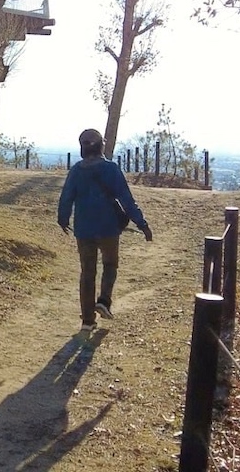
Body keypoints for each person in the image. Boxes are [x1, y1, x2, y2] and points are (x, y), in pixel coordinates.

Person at [57, 128, 152, 331]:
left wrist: (63, 219)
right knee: (110, 265)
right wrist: (141, 224)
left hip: (83, 228)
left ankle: (87, 320)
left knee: (87, 272)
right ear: (102, 145)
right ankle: (104, 300)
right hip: (108, 227)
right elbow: (126, 199)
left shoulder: (76, 170)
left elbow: (66, 197)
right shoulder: (111, 169)